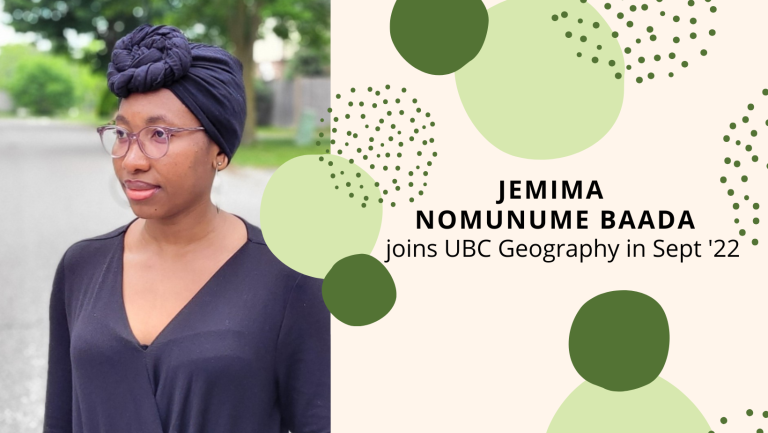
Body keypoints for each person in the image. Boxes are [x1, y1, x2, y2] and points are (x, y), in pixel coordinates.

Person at [42, 24, 330, 433]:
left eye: (159, 134)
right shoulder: (81, 267)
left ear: (219, 150)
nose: (131, 159)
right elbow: (60, 420)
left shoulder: (290, 277)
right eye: (122, 133)